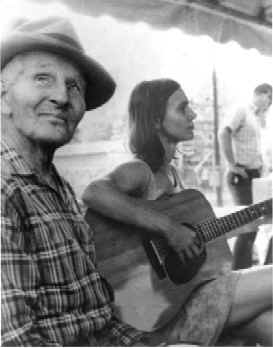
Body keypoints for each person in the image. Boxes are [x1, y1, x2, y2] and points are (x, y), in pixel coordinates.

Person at [0, 17, 178, 347]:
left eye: (74, 86)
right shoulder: (5, 190)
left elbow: (97, 321)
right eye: (42, 78)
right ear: (3, 93)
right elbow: (16, 342)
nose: (61, 97)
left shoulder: (56, 186)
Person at [82, 79, 273, 346]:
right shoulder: (139, 171)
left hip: (188, 299)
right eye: (183, 108)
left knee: (268, 322)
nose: (193, 114)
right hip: (159, 320)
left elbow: (198, 246)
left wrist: (253, 219)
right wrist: (170, 230)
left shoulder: (173, 175)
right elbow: (94, 192)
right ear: (157, 120)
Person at [219, 83, 272, 270]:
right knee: (247, 227)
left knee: (256, 225)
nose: (270, 103)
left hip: (255, 176)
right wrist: (232, 165)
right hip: (241, 175)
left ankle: (249, 269)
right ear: (262, 94)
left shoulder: (258, 118)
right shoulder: (242, 110)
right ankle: (239, 272)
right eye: (270, 98)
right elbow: (224, 133)